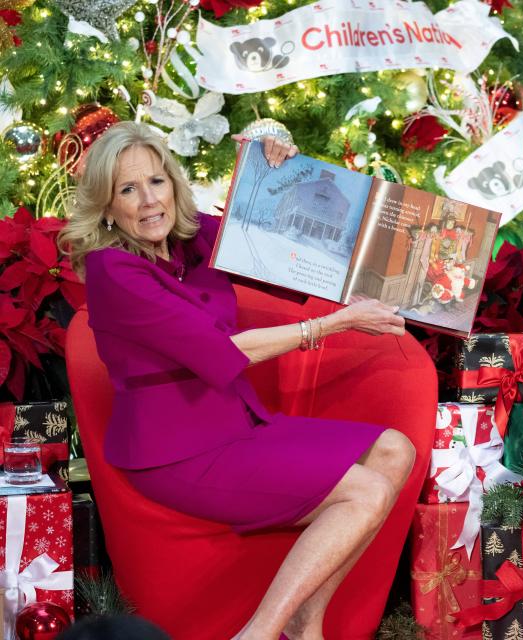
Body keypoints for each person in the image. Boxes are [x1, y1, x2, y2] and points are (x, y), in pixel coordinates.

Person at [59, 122, 415, 640]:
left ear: (173, 185)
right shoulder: (114, 270)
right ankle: (258, 633)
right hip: (179, 453)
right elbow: (222, 351)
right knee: (364, 494)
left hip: (240, 423)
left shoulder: (193, 237)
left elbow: (274, 230)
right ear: (107, 206)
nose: (148, 201)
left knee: (394, 451)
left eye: (156, 182)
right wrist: (327, 326)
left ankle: (303, 621)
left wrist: (277, 162)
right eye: (127, 190)